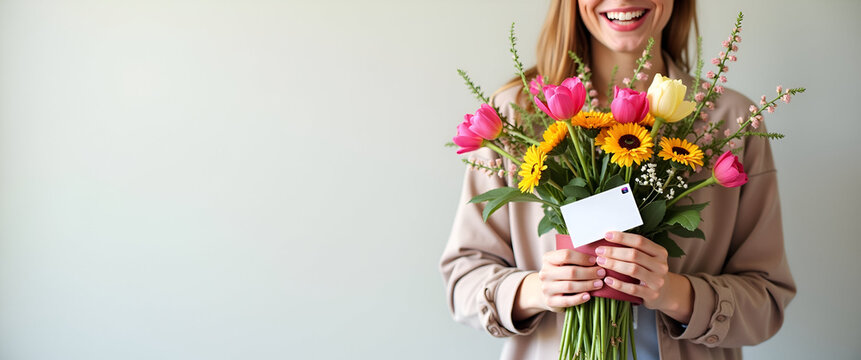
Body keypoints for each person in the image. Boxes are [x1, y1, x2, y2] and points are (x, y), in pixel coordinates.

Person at [439, 1, 796, 359]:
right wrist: (536, 290)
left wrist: (677, 294)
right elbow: (463, 280)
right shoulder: (514, 117)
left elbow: (767, 301)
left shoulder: (732, 122)